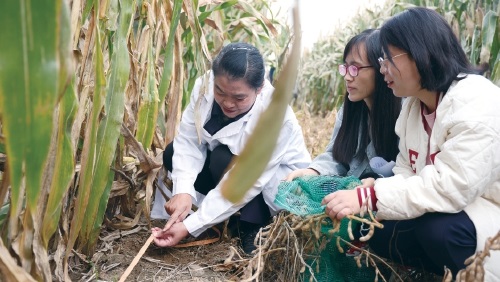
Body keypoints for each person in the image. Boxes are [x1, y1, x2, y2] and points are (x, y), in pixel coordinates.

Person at [322, 7, 500, 280]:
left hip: (487, 211)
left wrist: (369, 196)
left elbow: (451, 186)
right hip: (459, 209)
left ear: (420, 53)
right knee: (376, 230)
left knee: (438, 230)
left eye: (389, 59)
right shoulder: (412, 110)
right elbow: (406, 172)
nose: (383, 69)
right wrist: (373, 191)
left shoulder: (476, 102)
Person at [151, 42, 311, 254]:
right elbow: (189, 140)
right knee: (173, 153)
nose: (227, 103)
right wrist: (183, 192)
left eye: (239, 97)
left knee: (222, 158)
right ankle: (212, 216)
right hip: (227, 169)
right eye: (220, 91)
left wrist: (191, 226)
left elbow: (246, 179)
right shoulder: (204, 86)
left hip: (266, 183)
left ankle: (252, 224)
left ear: (260, 88)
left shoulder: (276, 117)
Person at [285, 29, 401, 182]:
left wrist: (375, 187)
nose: (347, 77)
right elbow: (336, 156)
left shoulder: (404, 114)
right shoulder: (349, 111)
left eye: (355, 68)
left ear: (381, 68)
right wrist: (312, 171)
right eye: (345, 67)